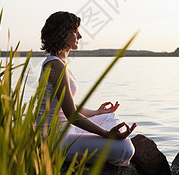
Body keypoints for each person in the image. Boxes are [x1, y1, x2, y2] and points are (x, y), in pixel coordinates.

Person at [36, 11, 137, 166]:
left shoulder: (60, 63)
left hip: (68, 130)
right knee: (125, 148)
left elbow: (69, 107)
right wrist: (106, 134)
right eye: (75, 31)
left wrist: (97, 112)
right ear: (62, 34)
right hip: (54, 140)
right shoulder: (55, 65)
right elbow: (71, 115)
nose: (80, 36)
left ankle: (107, 146)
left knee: (109, 117)